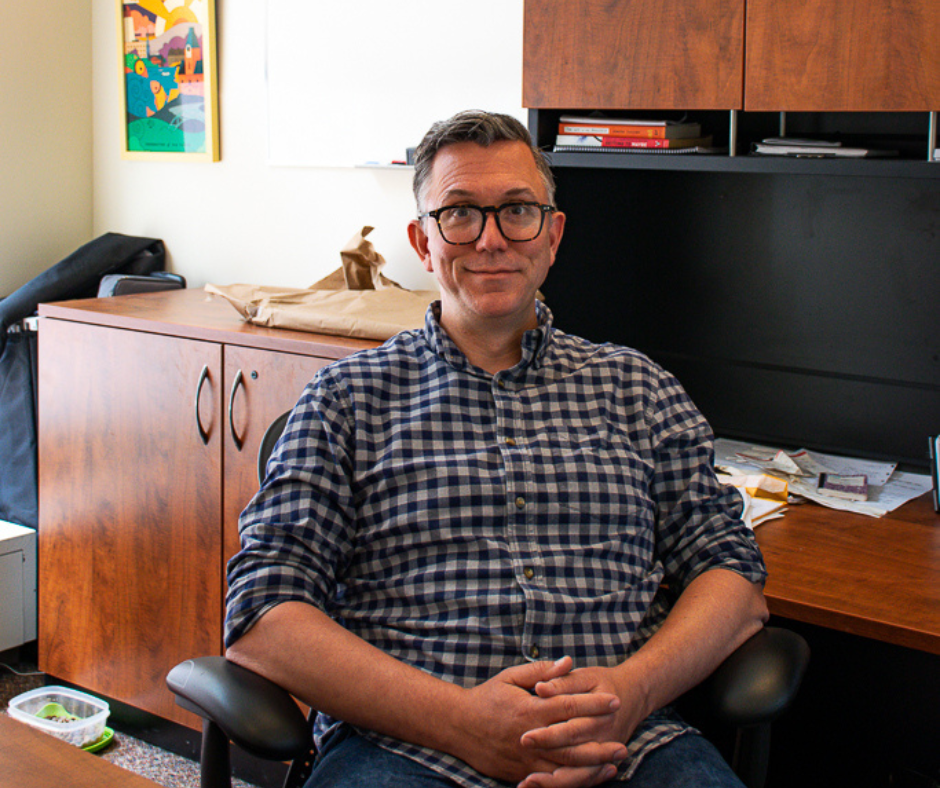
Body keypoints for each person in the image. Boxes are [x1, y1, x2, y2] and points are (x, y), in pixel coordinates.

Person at [225, 110, 769, 788]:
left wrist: (631, 692)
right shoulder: (346, 402)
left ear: (552, 234)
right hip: (404, 749)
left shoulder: (638, 391)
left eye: (517, 211)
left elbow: (733, 578)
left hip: (628, 743)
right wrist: (463, 723)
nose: (490, 239)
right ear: (423, 242)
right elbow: (262, 614)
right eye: (458, 214)